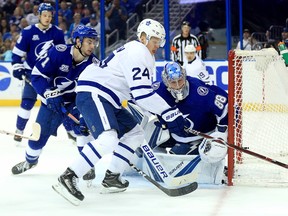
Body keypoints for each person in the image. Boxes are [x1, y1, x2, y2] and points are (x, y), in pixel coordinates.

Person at [53, 18, 188, 203]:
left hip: (108, 97)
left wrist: (161, 114)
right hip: (96, 92)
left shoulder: (143, 55)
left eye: (160, 41)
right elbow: (142, 94)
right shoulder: (138, 51)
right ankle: (69, 176)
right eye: (154, 40)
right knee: (108, 138)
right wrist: (168, 113)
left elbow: (138, 94)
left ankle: (112, 177)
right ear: (143, 37)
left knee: (135, 133)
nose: (157, 45)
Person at [11, 25, 99, 183]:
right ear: (78, 41)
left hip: (75, 102)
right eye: (89, 42)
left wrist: (87, 112)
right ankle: (30, 161)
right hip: (51, 102)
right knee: (37, 140)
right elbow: (37, 76)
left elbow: (95, 92)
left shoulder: (93, 65)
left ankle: (86, 165)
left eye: (94, 43)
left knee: (83, 131)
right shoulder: (58, 52)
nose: (92, 46)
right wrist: (48, 94)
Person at [141, 62, 228, 184]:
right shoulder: (157, 91)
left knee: (213, 152)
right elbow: (138, 102)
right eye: (173, 82)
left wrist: (221, 132)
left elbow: (225, 105)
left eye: (180, 81)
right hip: (174, 135)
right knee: (141, 136)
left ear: (184, 76)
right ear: (166, 82)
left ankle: (212, 170)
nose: (177, 86)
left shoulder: (199, 91)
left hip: (204, 136)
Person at [11, 3, 65, 144]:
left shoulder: (58, 33)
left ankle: (65, 130)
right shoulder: (28, 32)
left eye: (49, 16)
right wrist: (17, 66)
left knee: (53, 104)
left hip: (50, 75)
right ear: (39, 16)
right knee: (27, 102)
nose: (47, 18)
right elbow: (17, 54)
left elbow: (62, 53)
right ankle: (19, 130)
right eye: (44, 15)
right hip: (31, 73)